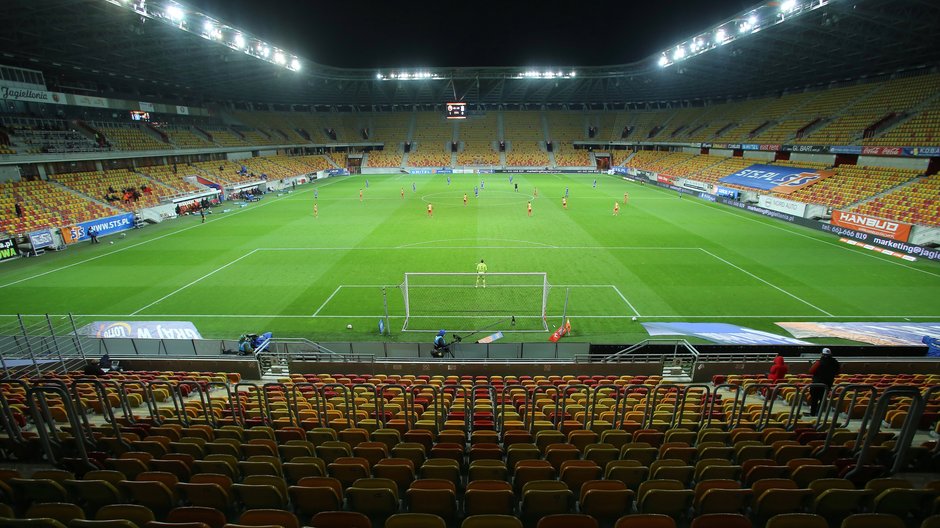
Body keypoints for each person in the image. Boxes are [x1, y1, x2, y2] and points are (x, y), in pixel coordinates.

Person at [808, 348, 840, 416]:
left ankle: (813, 413)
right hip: (827, 384)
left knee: (814, 399)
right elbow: (837, 372)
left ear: (822, 354)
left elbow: (811, 371)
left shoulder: (818, 363)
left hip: (817, 384)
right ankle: (818, 413)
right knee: (822, 400)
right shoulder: (835, 363)